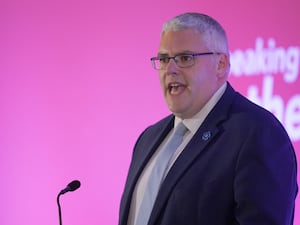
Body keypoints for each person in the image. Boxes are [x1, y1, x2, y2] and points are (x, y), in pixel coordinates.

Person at [118, 12, 298, 225]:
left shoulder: (259, 134)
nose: (170, 70)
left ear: (221, 64)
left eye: (185, 58)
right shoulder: (148, 138)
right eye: (164, 59)